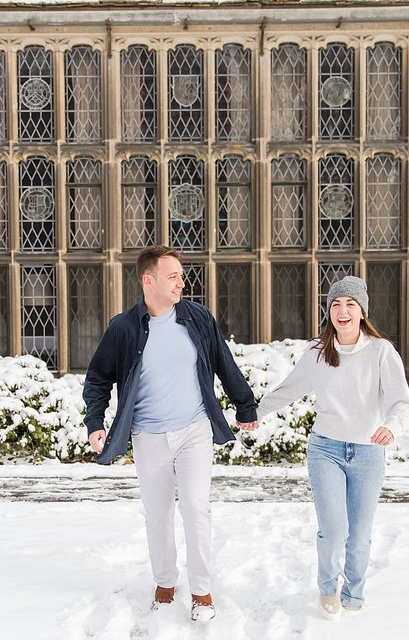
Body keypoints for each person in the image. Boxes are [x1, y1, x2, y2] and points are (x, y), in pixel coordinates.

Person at [82, 245, 258, 623]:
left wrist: (245, 406)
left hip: (194, 429)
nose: (183, 282)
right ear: (149, 281)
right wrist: (95, 422)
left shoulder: (197, 318)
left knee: (196, 508)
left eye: (181, 275)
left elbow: (223, 363)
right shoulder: (124, 327)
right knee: (158, 514)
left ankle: (202, 591)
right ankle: (164, 582)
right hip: (149, 435)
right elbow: (98, 377)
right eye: (173, 276)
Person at [250, 276, 409, 620]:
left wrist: (392, 427)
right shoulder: (318, 352)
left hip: (368, 452)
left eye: (350, 304)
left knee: (360, 533)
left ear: (362, 312)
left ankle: (354, 591)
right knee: (334, 528)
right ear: (329, 312)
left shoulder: (381, 352)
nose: (342, 310)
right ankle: (328, 588)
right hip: (325, 449)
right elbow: (288, 389)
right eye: (336, 304)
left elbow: (402, 403)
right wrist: (255, 413)